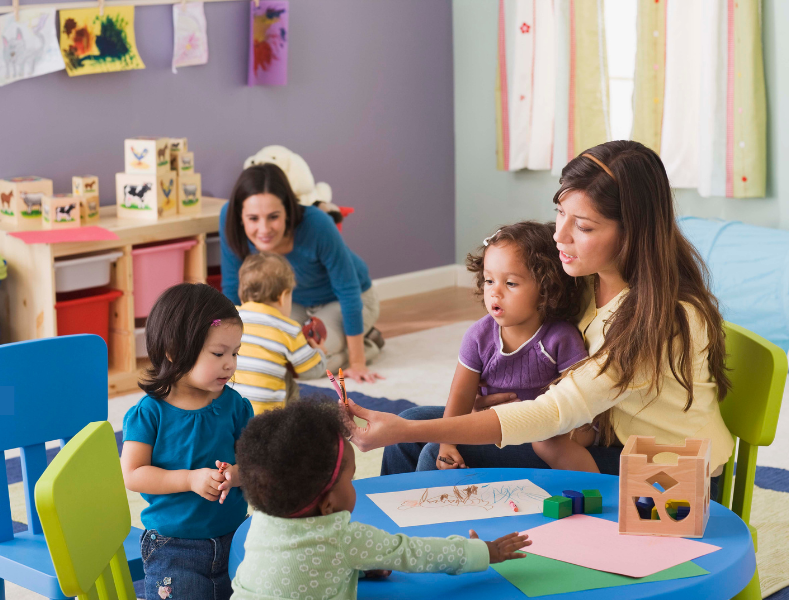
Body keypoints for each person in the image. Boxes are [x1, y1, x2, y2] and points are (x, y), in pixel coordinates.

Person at [347, 141, 734, 497]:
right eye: (560, 213)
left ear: (633, 233)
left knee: (436, 448)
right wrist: (428, 423)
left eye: (582, 226)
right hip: (597, 441)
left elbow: (553, 412)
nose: (559, 235)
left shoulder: (663, 319)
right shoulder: (584, 283)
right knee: (410, 431)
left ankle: (437, 558)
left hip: (662, 479)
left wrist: (418, 429)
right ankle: (386, 548)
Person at [230, 400, 532, 600]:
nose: (355, 486)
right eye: (350, 480)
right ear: (328, 506)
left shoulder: (259, 523)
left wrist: (360, 567)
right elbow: (416, 552)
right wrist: (482, 552)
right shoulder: (344, 539)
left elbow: (301, 564)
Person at [121, 283, 254, 600]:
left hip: (238, 536)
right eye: (219, 353)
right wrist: (190, 479)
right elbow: (134, 473)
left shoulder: (235, 406)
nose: (230, 363)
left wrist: (236, 474)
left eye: (235, 353)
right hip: (174, 546)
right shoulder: (149, 413)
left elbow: (258, 461)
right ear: (175, 351)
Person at [435, 221, 598, 473]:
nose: (495, 293)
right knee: (412, 422)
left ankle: (594, 492)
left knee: (428, 454)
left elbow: (582, 400)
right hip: (498, 423)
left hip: (549, 431)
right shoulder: (478, 337)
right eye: (489, 280)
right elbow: (460, 397)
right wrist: (447, 444)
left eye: (510, 283)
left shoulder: (560, 338)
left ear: (546, 288)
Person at [220, 163, 384, 383]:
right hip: (290, 302)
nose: (264, 229)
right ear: (240, 216)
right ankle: (355, 340)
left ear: (288, 210)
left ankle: (367, 346)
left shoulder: (317, 223)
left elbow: (348, 291)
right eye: (253, 219)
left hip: (347, 300)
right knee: (269, 354)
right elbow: (232, 287)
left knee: (303, 362)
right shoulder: (228, 219)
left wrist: (357, 363)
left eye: (273, 216)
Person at [233, 252, 328, 414]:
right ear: (284, 297)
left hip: (228, 417)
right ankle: (291, 424)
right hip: (266, 421)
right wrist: (320, 352)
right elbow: (312, 371)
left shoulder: (229, 318)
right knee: (288, 379)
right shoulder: (288, 328)